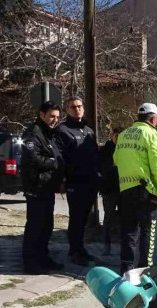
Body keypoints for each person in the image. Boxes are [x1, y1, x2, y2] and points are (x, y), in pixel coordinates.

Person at [114, 103, 157, 274]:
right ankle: (144, 269)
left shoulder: (123, 135)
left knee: (129, 231)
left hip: (126, 189)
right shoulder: (153, 135)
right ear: (153, 119)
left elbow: (116, 159)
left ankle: (126, 269)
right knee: (148, 230)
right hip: (146, 191)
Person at [20, 101, 65, 274]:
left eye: (57, 117)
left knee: (47, 226)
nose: (54, 120)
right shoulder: (33, 133)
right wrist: (54, 163)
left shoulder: (49, 134)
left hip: (47, 187)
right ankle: (30, 262)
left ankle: (43, 258)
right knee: (35, 226)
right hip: (36, 187)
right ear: (42, 115)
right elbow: (33, 158)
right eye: (52, 116)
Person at [55, 97, 100, 265]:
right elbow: (59, 158)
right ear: (68, 110)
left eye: (80, 106)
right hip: (75, 182)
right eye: (73, 107)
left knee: (84, 219)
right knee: (76, 218)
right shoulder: (63, 130)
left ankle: (81, 249)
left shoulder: (88, 130)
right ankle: (73, 252)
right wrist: (62, 180)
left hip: (91, 182)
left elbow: (95, 155)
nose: (77, 109)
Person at [98, 126, 122, 256]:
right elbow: (102, 168)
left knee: (126, 218)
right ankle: (106, 247)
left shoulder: (126, 150)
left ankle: (125, 245)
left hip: (123, 188)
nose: (118, 139)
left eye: (121, 136)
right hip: (109, 189)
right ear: (112, 135)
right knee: (108, 218)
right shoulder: (106, 149)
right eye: (116, 136)